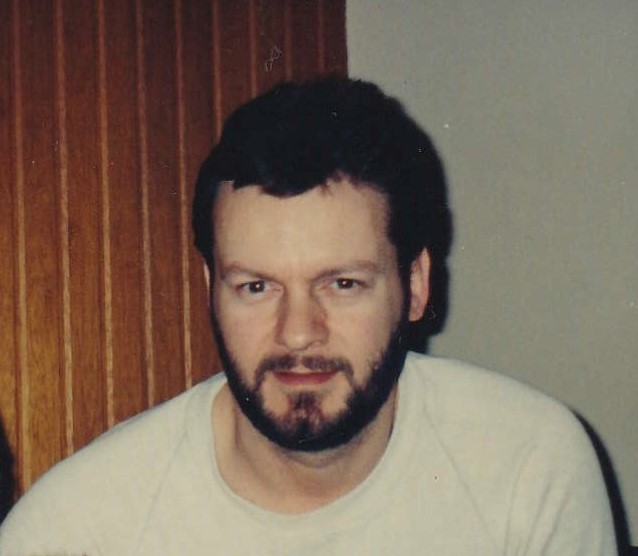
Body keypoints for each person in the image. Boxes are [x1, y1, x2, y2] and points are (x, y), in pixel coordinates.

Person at [0, 78, 616, 555]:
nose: (297, 332)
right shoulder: (77, 529)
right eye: (256, 286)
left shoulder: (529, 467)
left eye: (343, 284)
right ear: (210, 290)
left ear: (415, 285)